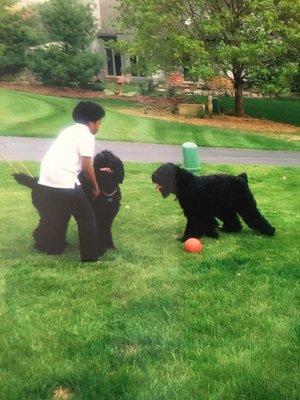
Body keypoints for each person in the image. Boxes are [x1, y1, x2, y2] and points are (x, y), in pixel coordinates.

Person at [37, 101, 105, 262]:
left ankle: (52, 248)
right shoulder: (86, 135)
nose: (99, 127)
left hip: (46, 177)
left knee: (58, 214)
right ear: (91, 123)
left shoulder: (68, 131)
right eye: (99, 123)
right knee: (87, 217)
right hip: (64, 178)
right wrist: (96, 187)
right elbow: (87, 165)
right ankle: (90, 257)